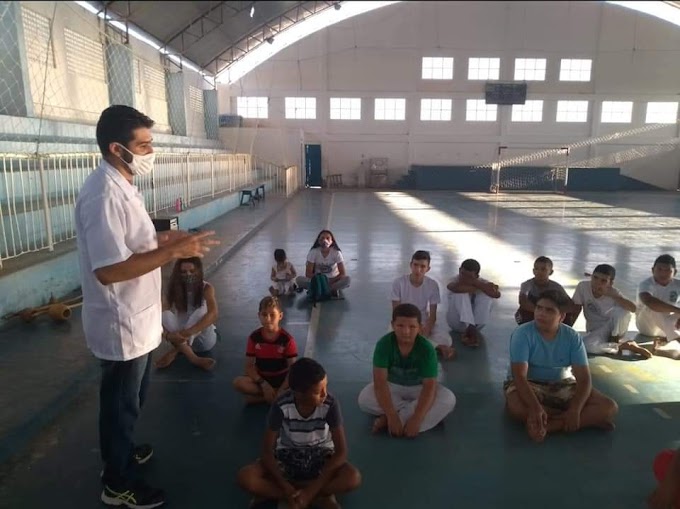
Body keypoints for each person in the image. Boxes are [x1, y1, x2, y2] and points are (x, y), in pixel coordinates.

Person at [75, 105, 218, 508]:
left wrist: (172, 241)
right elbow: (109, 270)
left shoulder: (123, 183)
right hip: (120, 322)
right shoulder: (103, 195)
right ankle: (117, 481)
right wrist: (173, 255)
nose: (150, 152)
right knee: (120, 403)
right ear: (117, 148)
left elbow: (136, 244)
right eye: (144, 145)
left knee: (131, 399)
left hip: (138, 318)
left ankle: (122, 448)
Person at [237, 358, 362, 509]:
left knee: (353, 478)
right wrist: (286, 488)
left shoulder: (330, 403)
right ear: (299, 394)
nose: (325, 394)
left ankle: (295, 494)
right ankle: (311, 496)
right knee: (246, 477)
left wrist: (310, 491)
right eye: (318, 391)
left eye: (325, 387)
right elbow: (267, 451)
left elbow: (341, 452)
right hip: (287, 455)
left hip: (321, 456)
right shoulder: (281, 404)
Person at [504, 290, 619, 443]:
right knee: (516, 408)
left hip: (563, 384)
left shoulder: (572, 337)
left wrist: (576, 409)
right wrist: (535, 407)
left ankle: (549, 426)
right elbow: (519, 376)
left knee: (609, 407)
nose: (541, 313)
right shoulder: (522, 333)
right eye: (539, 308)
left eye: (549, 310)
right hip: (530, 383)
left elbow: (583, 379)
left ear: (561, 316)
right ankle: (582, 420)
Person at [358, 303, 456, 437]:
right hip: (392, 387)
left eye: (412, 327)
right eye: (400, 326)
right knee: (364, 399)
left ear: (420, 328)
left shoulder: (427, 349)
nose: (406, 331)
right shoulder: (384, 344)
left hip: (419, 388)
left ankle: (395, 421)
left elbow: (429, 387)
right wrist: (392, 415)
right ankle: (404, 417)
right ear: (392, 325)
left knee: (448, 399)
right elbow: (380, 383)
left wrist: (417, 418)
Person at [390, 250, 456, 360]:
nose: (418, 270)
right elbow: (396, 312)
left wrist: (425, 331)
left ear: (428, 269)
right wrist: (409, 327)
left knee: (446, 339)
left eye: (422, 266)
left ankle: (420, 345)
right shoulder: (399, 283)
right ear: (411, 265)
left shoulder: (432, 285)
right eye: (415, 265)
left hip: (423, 321)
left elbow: (433, 315)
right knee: (394, 339)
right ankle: (436, 347)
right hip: (403, 321)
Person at [155, 257, 218, 371]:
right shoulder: (174, 288)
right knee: (162, 313)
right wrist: (167, 335)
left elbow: (213, 314)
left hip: (203, 340)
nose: (188, 274)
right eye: (184, 272)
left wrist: (183, 334)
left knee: (202, 311)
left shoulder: (206, 287)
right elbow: (159, 316)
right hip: (181, 339)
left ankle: (176, 352)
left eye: (192, 271)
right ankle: (194, 359)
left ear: (198, 271)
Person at [233, 296, 298, 404]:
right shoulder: (254, 337)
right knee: (238, 383)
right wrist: (264, 384)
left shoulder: (287, 340)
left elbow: (292, 369)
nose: (268, 319)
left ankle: (264, 398)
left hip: (282, 380)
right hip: (262, 379)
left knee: (302, 382)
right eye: (264, 314)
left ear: (280, 316)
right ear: (259, 315)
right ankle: (276, 398)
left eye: (272, 315)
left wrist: (282, 389)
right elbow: (249, 366)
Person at [572, 265, 643, 357]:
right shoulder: (583, 287)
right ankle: (622, 346)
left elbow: (633, 308)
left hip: (615, 328)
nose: (597, 283)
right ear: (591, 276)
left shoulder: (613, 292)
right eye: (595, 278)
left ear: (611, 283)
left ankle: (614, 340)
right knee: (586, 346)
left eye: (603, 281)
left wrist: (615, 296)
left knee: (621, 311)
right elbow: (576, 308)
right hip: (596, 330)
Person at [446, 259, 501, 347]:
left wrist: (476, 283)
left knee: (486, 296)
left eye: (469, 277)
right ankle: (470, 329)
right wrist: (480, 287)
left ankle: (472, 329)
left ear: (476, 276)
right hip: (456, 323)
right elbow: (453, 287)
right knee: (460, 294)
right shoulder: (454, 280)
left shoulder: (482, 282)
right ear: (459, 270)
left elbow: (497, 294)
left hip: (477, 325)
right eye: (463, 274)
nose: (464, 279)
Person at [637, 254, 680, 360]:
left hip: (667, 326)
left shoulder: (678, 284)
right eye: (659, 269)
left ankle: (664, 340)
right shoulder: (645, 284)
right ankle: (674, 339)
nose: (663, 273)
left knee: (671, 315)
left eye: (668, 270)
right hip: (647, 326)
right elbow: (649, 301)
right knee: (653, 307)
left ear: (675, 272)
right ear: (652, 270)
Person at [516, 256, 577, 326]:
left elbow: (570, 305)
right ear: (533, 271)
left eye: (543, 269)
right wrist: (540, 311)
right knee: (524, 312)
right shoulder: (527, 285)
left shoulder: (556, 287)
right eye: (536, 269)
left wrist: (553, 311)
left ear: (551, 272)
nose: (539, 272)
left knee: (566, 315)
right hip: (532, 313)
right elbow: (523, 302)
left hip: (549, 314)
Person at [296, 230, 350, 298]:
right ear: (318, 241)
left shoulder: (336, 253)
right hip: (318, 280)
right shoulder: (313, 252)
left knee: (347, 280)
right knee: (299, 280)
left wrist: (330, 281)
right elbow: (308, 273)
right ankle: (330, 290)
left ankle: (320, 290)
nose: (325, 241)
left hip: (333, 280)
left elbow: (342, 273)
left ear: (332, 241)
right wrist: (320, 281)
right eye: (322, 238)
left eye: (327, 238)